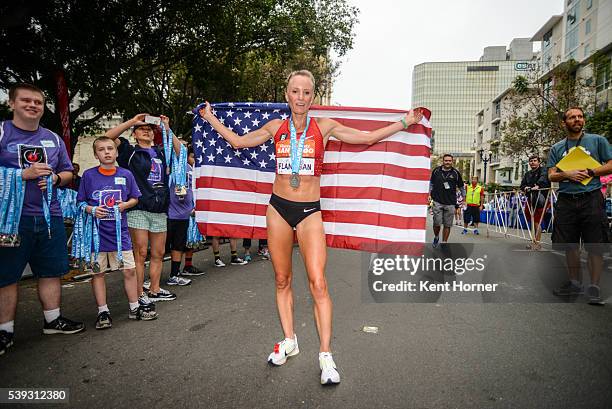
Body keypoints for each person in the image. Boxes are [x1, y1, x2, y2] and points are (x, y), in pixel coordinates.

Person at [199, 69, 423, 385]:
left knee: (318, 283)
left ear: (312, 97)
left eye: (306, 92)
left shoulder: (325, 127)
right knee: (281, 279)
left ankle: (326, 356)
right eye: (295, 91)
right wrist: (210, 118)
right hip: (277, 208)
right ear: (287, 95)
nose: (300, 97)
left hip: (309, 212)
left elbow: (368, 137)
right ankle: (289, 340)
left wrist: (405, 122)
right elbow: (236, 142)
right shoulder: (275, 127)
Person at [0, 83, 85, 356]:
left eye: (38, 101)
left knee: (51, 271)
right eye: (26, 100)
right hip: (12, 219)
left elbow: (68, 172)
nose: (33, 105)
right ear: (12, 104)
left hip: (50, 217)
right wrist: (21, 176)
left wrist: (57, 179)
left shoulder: (52, 137)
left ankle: (53, 320)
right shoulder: (2, 132)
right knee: (7, 276)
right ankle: (5, 330)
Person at [77, 136, 157, 327]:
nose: (107, 152)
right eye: (102, 149)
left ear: (116, 152)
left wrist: (125, 205)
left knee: (129, 271)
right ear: (96, 155)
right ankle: (103, 312)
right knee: (98, 273)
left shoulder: (126, 174)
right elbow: (80, 202)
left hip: (120, 235)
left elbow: (135, 198)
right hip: (97, 236)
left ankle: (134, 307)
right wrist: (91, 209)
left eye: (110, 148)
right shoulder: (88, 175)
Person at [105, 114, 182, 303]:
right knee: (140, 253)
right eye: (142, 128)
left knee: (158, 253)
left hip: (160, 209)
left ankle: (154, 289)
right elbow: (108, 136)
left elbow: (180, 151)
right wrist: (132, 121)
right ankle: (139, 294)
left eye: (149, 129)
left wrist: (166, 127)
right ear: (135, 134)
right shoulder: (129, 152)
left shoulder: (162, 152)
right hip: (138, 207)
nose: (146, 130)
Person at [547, 107, 612, 305]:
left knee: (595, 244)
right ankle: (574, 283)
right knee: (570, 245)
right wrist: (567, 174)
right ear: (564, 123)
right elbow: (551, 175)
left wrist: (591, 172)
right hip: (566, 199)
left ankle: (594, 287)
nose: (577, 120)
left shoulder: (597, 141)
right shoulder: (557, 148)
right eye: (572, 117)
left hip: (591, 197)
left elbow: (610, 164)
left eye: (580, 116)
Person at [165, 145, 204, 285]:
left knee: (178, 246)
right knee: (161, 250)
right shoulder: (169, 168)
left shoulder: (193, 171)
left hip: (185, 215)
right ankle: (151, 279)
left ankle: (174, 275)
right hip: (169, 214)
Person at [429, 154, 465, 246]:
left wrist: (464, 198)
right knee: (437, 222)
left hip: (450, 203)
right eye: (446, 160)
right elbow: (431, 184)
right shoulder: (436, 171)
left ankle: (444, 242)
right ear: (443, 161)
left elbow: (461, 187)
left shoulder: (456, 173)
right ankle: (436, 236)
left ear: (452, 161)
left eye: (449, 161)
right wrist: (428, 195)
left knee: (447, 224)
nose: (448, 162)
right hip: (437, 201)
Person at [520, 155, 550, 250]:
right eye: (531, 161)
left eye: (534, 160)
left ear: (539, 162)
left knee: (537, 221)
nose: (532, 162)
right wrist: (525, 187)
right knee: (532, 221)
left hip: (541, 199)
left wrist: (537, 185)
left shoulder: (543, 170)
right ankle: (534, 241)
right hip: (531, 198)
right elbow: (522, 184)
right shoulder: (527, 174)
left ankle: (537, 243)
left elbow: (543, 179)